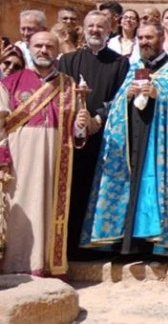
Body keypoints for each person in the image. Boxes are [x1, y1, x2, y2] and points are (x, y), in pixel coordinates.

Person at [81, 22, 168, 257]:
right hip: (133, 140)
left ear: (161, 38)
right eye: (141, 38)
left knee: (152, 188)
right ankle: (126, 243)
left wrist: (158, 94)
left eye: (149, 37)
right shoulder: (133, 69)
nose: (144, 42)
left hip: (160, 144)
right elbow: (117, 103)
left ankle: (158, 243)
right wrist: (127, 98)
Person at [0, 31, 88, 275]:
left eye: (49, 46)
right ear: (29, 48)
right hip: (20, 158)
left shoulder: (69, 85)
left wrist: (82, 123)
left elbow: (77, 132)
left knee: (49, 211)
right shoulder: (11, 82)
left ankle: (46, 266)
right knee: (20, 210)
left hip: (56, 157)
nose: (43, 50)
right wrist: (2, 157)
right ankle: (15, 268)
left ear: (57, 51)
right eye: (38, 46)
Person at [58, 10, 130, 261]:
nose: (95, 30)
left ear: (109, 31)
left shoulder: (120, 63)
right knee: (71, 189)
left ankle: (95, 247)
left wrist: (97, 118)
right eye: (91, 26)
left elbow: (121, 97)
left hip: (105, 138)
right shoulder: (67, 61)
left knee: (97, 190)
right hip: (71, 139)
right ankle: (68, 247)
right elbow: (60, 94)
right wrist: (79, 119)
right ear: (84, 29)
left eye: (101, 26)